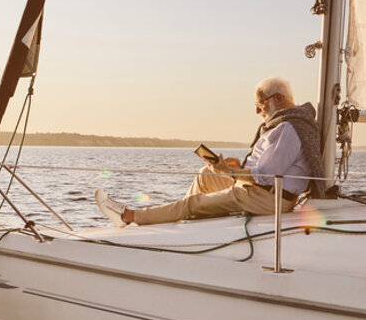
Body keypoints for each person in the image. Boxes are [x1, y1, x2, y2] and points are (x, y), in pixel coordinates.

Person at [95, 77, 324, 227]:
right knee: (206, 174)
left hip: (269, 198)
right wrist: (235, 169)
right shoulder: (282, 124)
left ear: (279, 99)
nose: (257, 110)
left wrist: (232, 173)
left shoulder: (289, 128)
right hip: (260, 190)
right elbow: (264, 169)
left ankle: (128, 216)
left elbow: (267, 174)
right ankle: (178, 218)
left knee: (194, 203)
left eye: (260, 103)